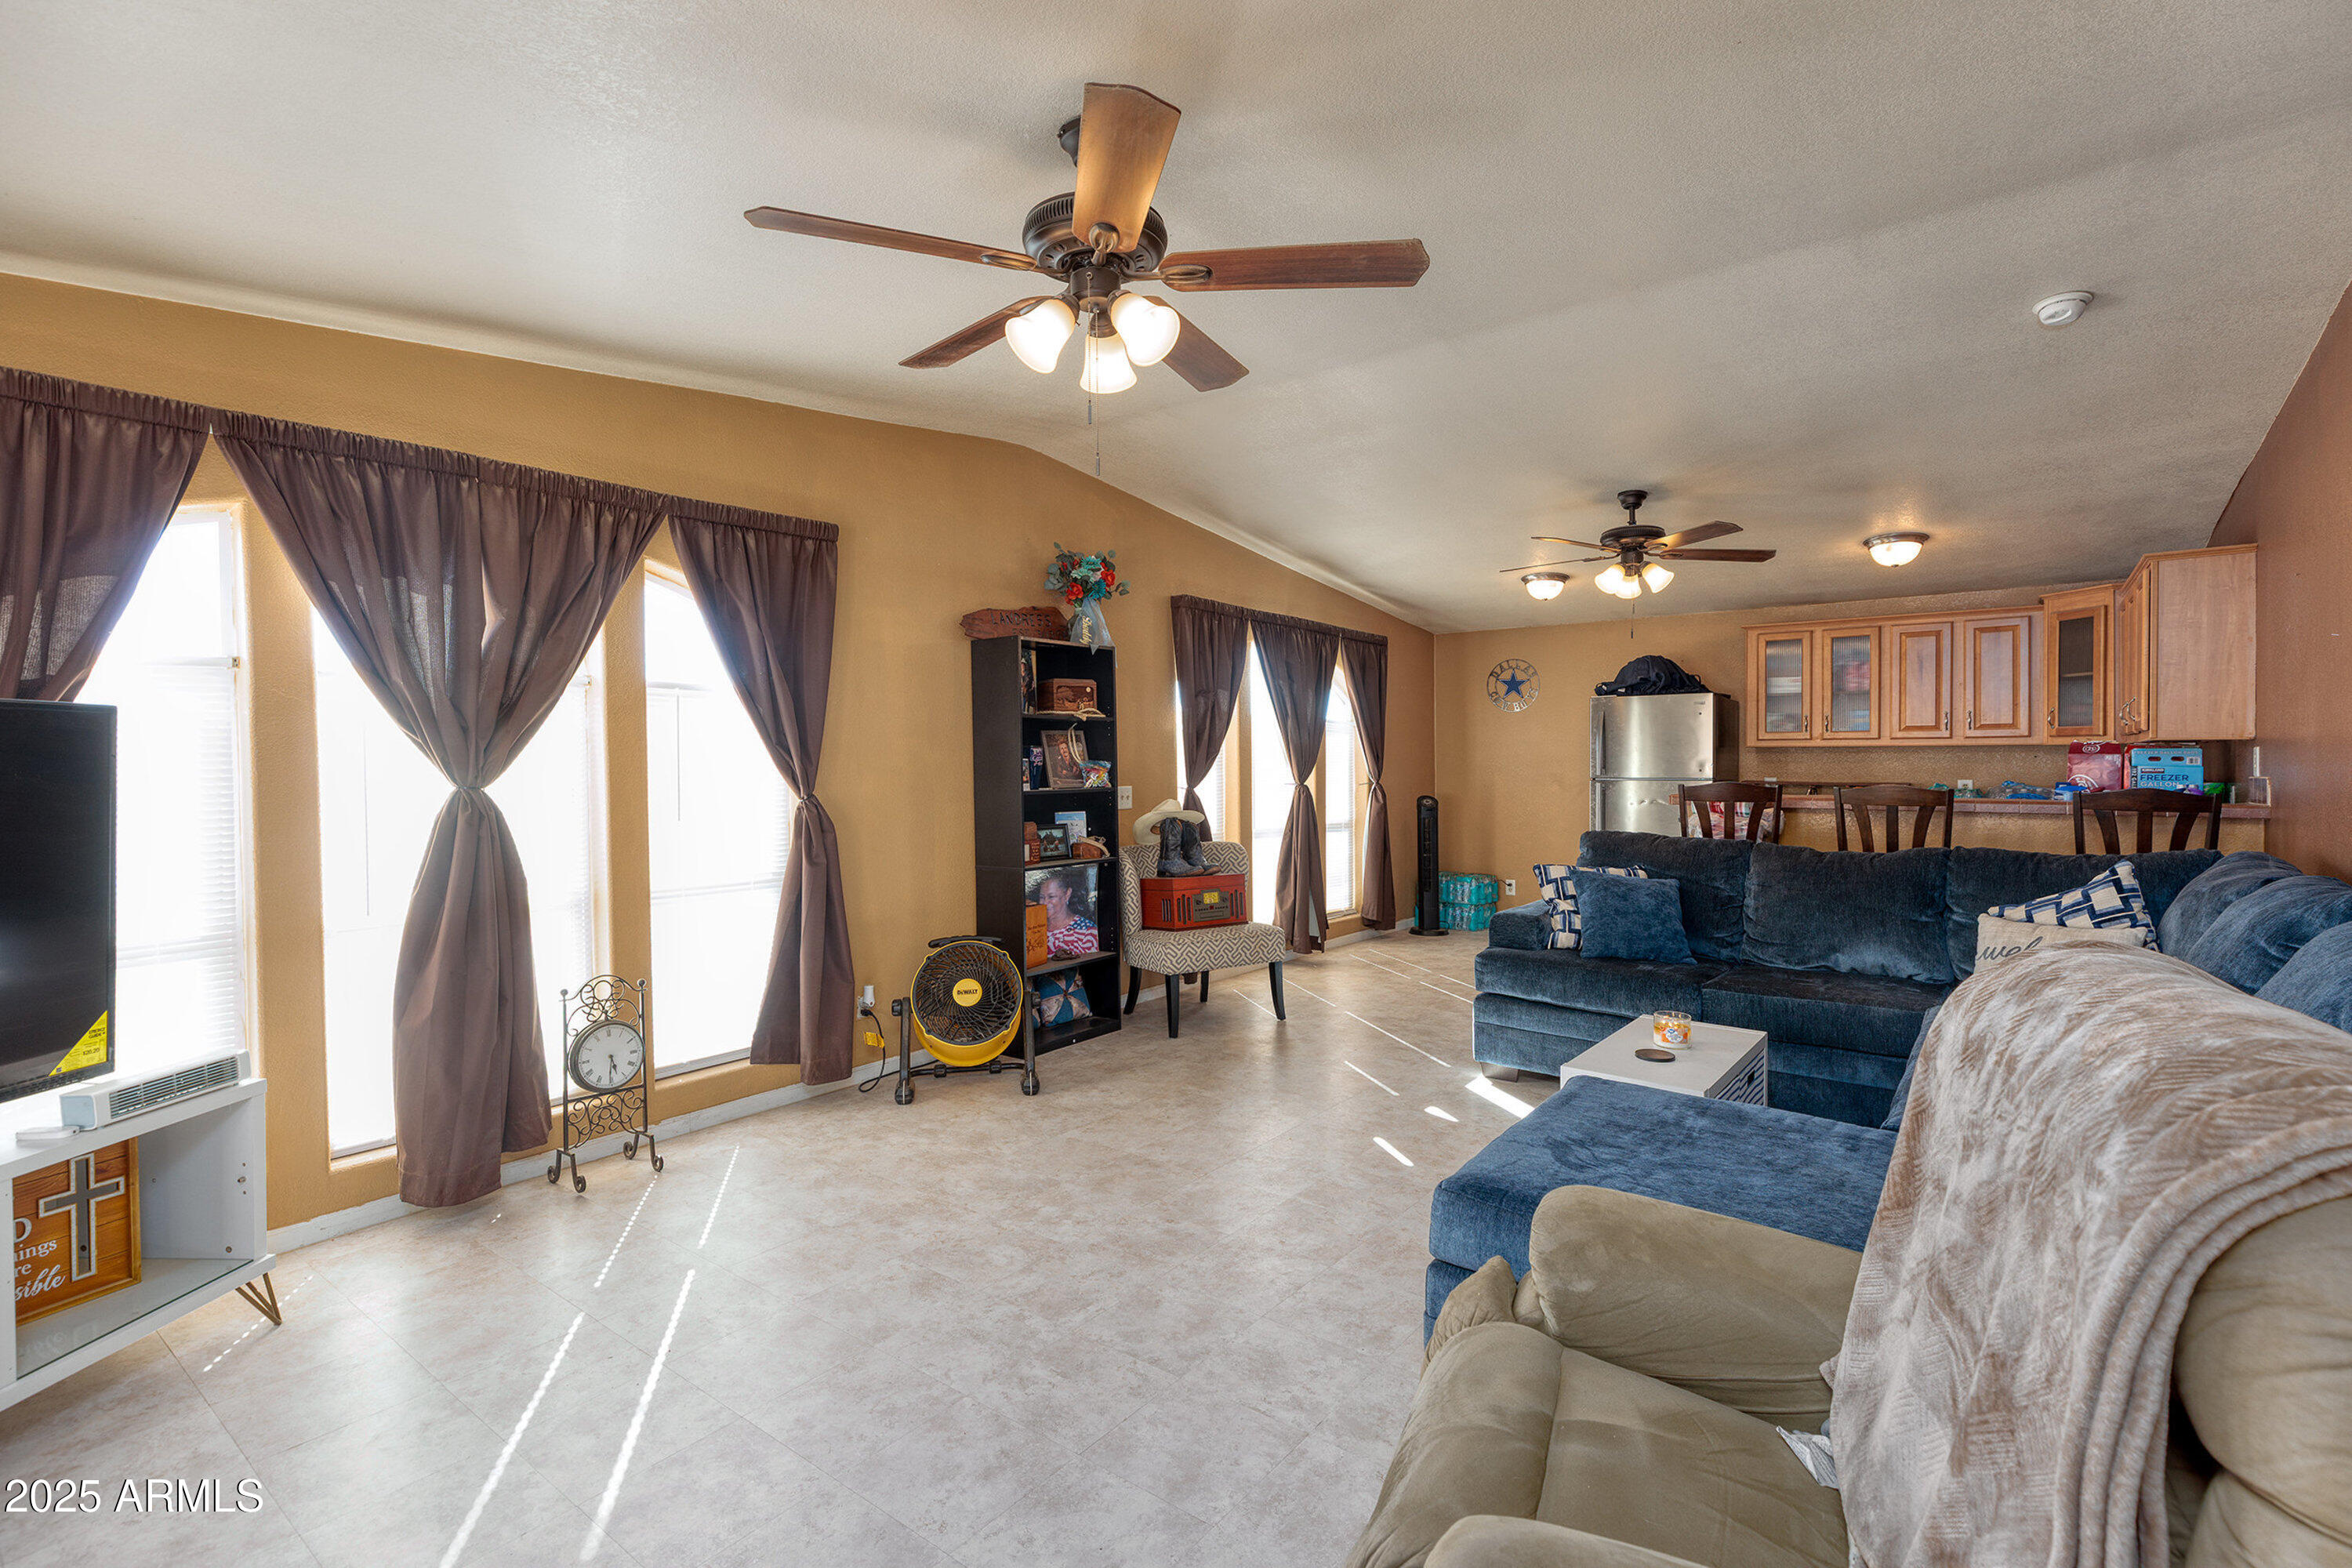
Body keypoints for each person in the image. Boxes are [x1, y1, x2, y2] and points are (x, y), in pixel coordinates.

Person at [1038, 869, 1098, 957]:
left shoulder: (1087, 932)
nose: (1045, 903)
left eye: (1051, 897)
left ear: (1067, 894)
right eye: (1042, 897)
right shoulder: (1037, 928)